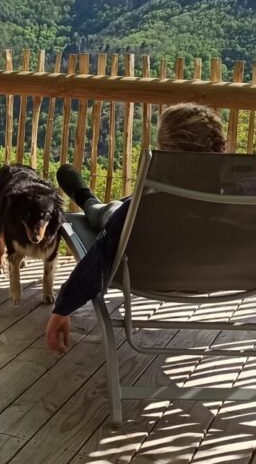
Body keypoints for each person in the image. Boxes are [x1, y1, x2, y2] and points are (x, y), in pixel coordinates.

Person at [46, 102, 227, 353]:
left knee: (107, 213)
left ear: (165, 152)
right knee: (126, 204)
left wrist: (62, 307)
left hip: (155, 269)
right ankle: (98, 200)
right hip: (223, 277)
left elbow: (100, 255)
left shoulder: (146, 208)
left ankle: (86, 199)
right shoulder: (239, 200)